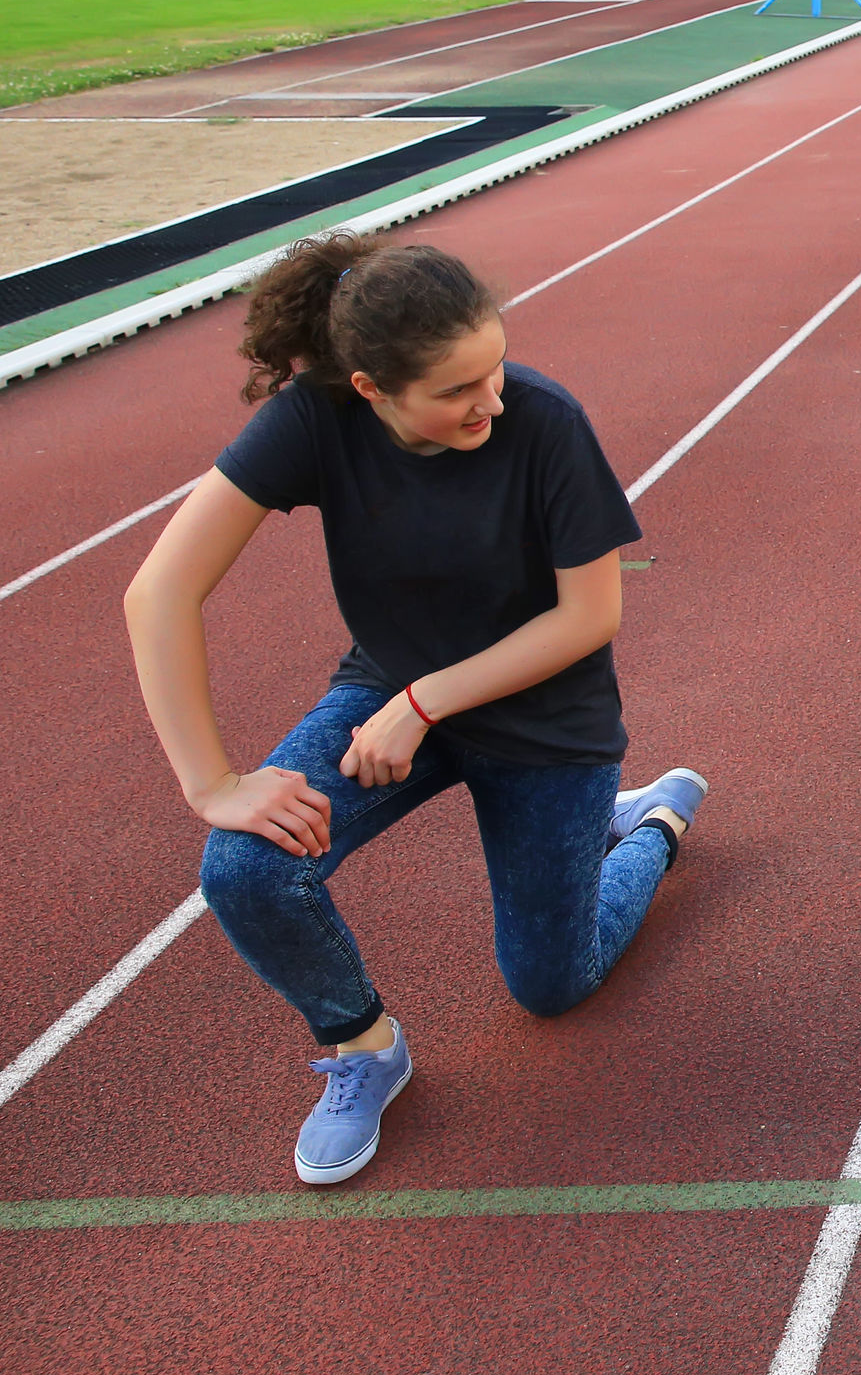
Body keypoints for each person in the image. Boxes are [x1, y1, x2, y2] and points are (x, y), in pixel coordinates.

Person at [123, 232, 705, 1185]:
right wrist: (211, 782)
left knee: (552, 987)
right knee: (244, 867)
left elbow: (590, 613)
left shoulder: (545, 423)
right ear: (371, 390)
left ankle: (648, 823)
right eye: (457, 390)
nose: (493, 399)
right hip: (387, 694)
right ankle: (364, 1048)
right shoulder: (312, 422)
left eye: (497, 367)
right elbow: (159, 592)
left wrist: (422, 703)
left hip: (544, 723)